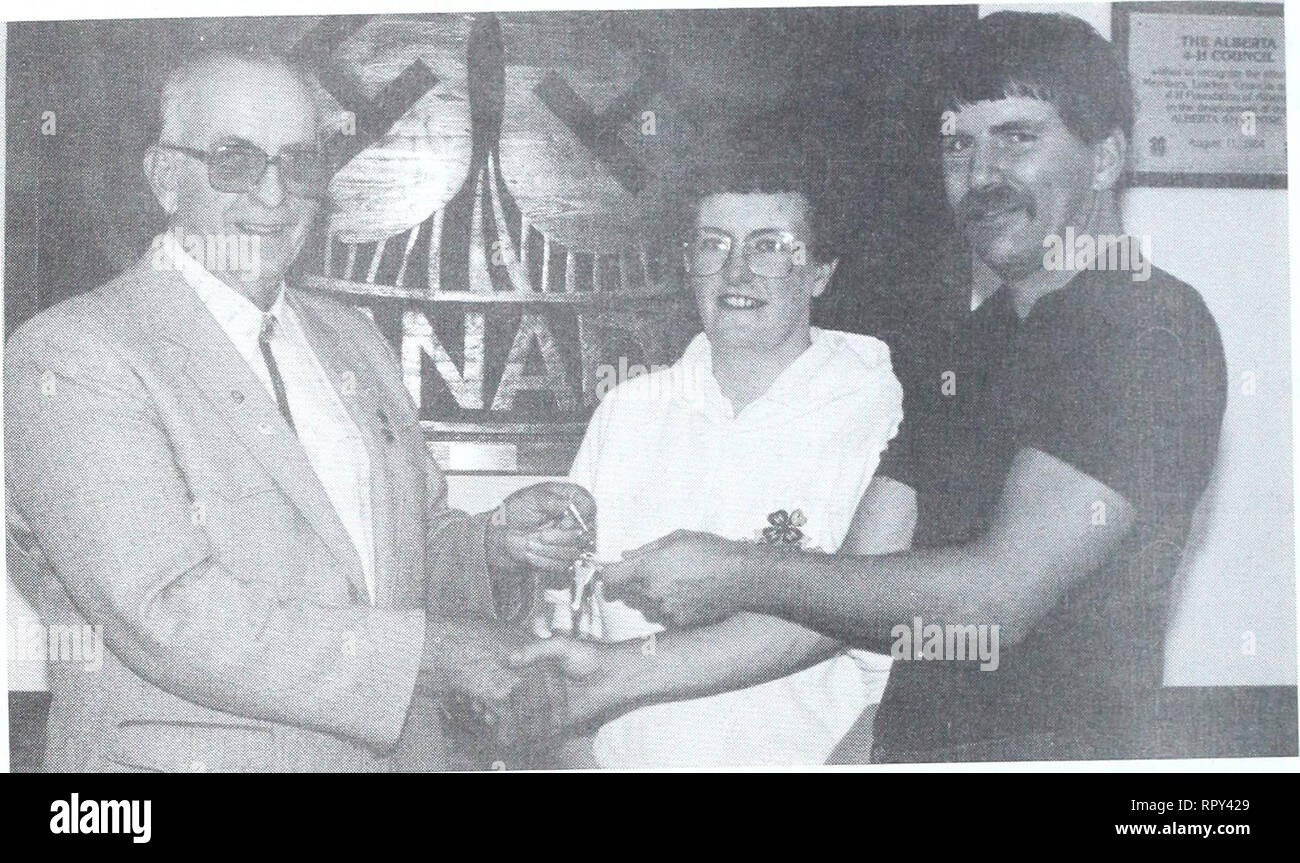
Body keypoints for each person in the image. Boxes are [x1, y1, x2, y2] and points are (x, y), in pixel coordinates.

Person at [569, 11, 1228, 762]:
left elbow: (996, 599)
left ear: (1106, 156)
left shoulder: (1146, 326)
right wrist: (608, 677)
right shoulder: (973, 349)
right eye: (959, 145)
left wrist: (738, 569)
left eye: (1016, 137)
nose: (981, 175)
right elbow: (832, 600)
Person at [4, 49, 585, 771]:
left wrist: (494, 546)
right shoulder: (72, 354)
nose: (274, 197)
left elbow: (401, 562)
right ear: (163, 177)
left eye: (300, 163)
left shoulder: (354, 340)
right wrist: (429, 656)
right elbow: (166, 609)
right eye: (235, 160)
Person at [515, 125, 906, 767]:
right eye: (713, 244)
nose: (735, 271)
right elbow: (568, 623)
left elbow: (893, 666)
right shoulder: (628, 411)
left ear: (821, 271)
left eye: (770, 247)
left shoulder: (883, 413)